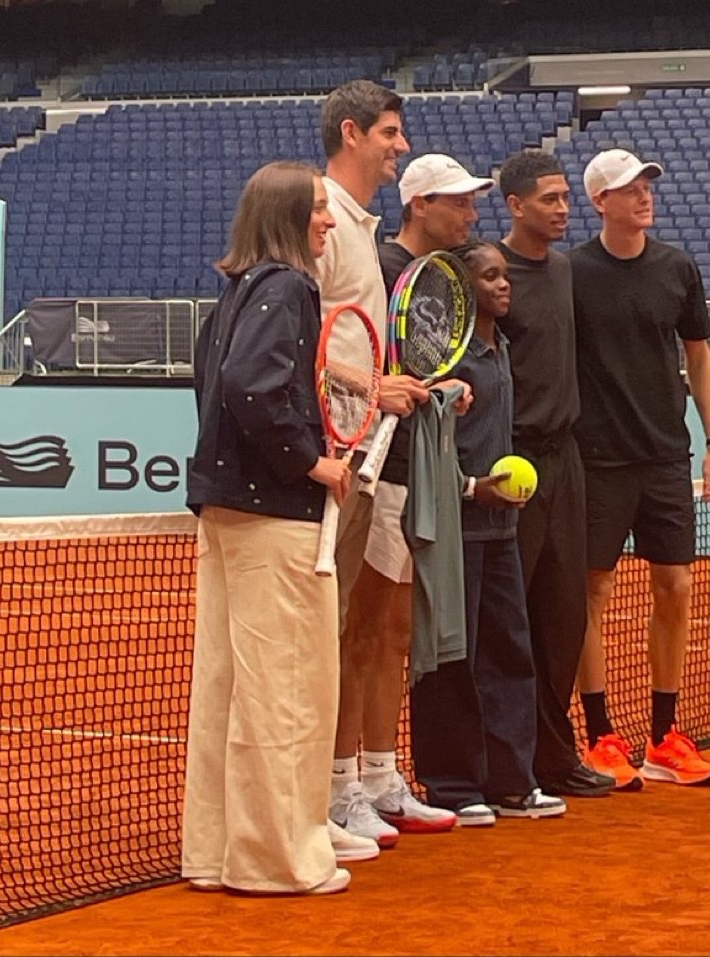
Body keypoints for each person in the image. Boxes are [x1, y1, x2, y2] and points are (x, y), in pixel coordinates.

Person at [182, 161, 352, 896]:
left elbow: (216, 383)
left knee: (229, 688)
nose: (329, 220)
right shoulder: (285, 287)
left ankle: (217, 851)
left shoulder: (236, 292)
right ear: (285, 217)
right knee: (286, 687)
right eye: (316, 208)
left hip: (228, 510)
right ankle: (278, 859)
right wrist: (310, 462)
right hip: (275, 516)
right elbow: (251, 387)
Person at [314, 80, 454, 849]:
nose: (400, 146)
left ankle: (369, 777)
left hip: (366, 449)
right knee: (339, 628)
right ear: (351, 132)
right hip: (332, 455)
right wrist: (373, 387)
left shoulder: (358, 225)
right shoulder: (325, 220)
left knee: (372, 627)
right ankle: (331, 790)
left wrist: (398, 387)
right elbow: (304, 341)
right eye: (389, 133)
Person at [569, 148, 710, 791]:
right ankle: (600, 736)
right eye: (628, 188)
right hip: (597, 460)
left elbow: (699, 356)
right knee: (592, 592)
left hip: (666, 456)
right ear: (599, 202)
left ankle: (664, 739)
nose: (643, 195)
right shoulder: (570, 273)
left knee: (676, 586)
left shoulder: (677, 268)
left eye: (646, 186)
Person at [410, 239, 567, 826]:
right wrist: (472, 488)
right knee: (454, 658)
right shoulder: (444, 361)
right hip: (457, 530)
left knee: (508, 654)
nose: (504, 285)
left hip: (502, 529)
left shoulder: (501, 347)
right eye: (490, 277)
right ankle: (453, 785)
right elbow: (428, 445)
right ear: (460, 290)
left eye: (506, 276)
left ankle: (512, 780)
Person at [495, 149, 614, 798]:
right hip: (511, 465)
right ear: (515, 206)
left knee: (563, 616)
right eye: (550, 199)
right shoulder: (488, 272)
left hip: (566, 463)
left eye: (566, 197)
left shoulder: (565, 270)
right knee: (510, 620)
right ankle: (507, 763)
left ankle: (553, 755)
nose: (564, 208)